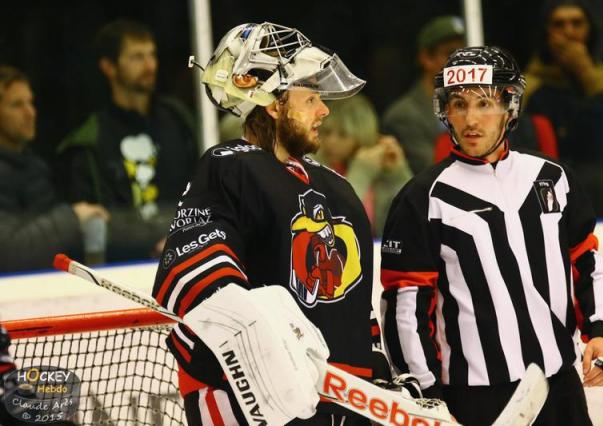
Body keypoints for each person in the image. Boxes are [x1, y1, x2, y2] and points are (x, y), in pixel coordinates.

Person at [379, 46, 603, 426]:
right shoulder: (422, 197)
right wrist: (424, 396)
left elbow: (587, 261)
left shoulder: (552, 177)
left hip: (559, 385)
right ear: (446, 111)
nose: (471, 119)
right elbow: (405, 305)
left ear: (510, 107)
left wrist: (601, 331)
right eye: (459, 104)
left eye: (484, 104)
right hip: (473, 399)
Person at [153, 22, 376, 425]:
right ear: (274, 105)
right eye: (310, 99)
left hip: (343, 403)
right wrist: (260, 350)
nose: (324, 110)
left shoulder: (339, 189)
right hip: (253, 402)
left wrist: (376, 372)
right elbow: (194, 276)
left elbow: (355, 306)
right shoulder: (231, 167)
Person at [57, 19, 198, 262]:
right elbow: (93, 222)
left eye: (152, 55)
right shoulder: (91, 139)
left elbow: (204, 192)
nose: (149, 65)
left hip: (187, 256)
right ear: (109, 67)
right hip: (123, 268)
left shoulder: (178, 119)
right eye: (136, 57)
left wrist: (183, 237)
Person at [0, 65, 109, 272]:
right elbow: (8, 253)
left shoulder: (36, 167)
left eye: (30, 103)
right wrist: (72, 217)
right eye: (16, 105)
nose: (30, 113)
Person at [524, 0, 603, 164]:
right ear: (546, 32)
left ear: (590, 30)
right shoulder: (526, 86)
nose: (569, 32)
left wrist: (586, 71)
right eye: (559, 25)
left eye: (577, 23)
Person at [315, 94, 411, 237]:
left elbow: (407, 219)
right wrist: (361, 174)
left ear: (362, 136)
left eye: (343, 134)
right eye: (327, 132)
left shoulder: (377, 165)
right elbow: (334, 223)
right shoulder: (314, 166)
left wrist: (398, 175)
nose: (331, 141)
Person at [382, 16, 465, 174]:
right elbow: (436, 172)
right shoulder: (404, 116)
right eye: (450, 54)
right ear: (426, 58)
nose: (461, 62)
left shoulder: (476, 107)